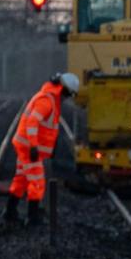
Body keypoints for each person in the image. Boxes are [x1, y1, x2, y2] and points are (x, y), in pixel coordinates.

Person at [5, 72, 80, 226]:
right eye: (68, 94)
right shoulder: (47, 101)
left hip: (25, 145)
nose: (67, 98)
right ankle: (32, 217)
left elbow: (47, 129)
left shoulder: (49, 98)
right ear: (64, 89)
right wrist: (33, 146)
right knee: (37, 181)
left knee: (22, 178)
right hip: (28, 146)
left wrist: (48, 149)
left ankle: (10, 211)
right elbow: (32, 122)